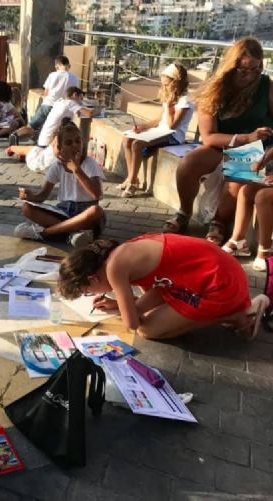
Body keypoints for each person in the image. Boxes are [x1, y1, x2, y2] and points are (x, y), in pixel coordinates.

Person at [162, 38, 273, 245]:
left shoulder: (266, 85)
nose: (250, 76)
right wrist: (244, 138)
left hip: (256, 149)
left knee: (238, 175)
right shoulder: (214, 89)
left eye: (256, 69)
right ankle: (184, 212)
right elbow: (209, 136)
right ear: (231, 66)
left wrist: (259, 142)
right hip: (223, 143)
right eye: (243, 70)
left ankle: (219, 222)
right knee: (188, 164)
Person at [58, 236, 270, 340]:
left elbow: (132, 323)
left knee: (147, 330)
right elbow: (158, 289)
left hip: (220, 284)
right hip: (217, 273)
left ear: (93, 278)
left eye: (88, 292)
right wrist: (123, 304)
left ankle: (236, 314)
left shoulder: (115, 269)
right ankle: (234, 310)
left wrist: (127, 308)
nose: (93, 295)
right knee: (145, 313)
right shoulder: (119, 253)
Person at [14, 119, 105, 247]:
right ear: (60, 148)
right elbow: (43, 196)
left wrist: (77, 170)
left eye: (78, 141)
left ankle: (44, 233)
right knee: (26, 208)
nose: (75, 145)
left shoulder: (89, 163)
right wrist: (30, 196)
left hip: (85, 213)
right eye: (68, 143)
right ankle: (73, 234)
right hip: (64, 211)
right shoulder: (57, 165)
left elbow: (96, 194)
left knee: (96, 211)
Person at [119, 63, 193, 198]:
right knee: (127, 139)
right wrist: (143, 127)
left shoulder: (185, 101)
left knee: (137, 144)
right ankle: (131, 178)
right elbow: (160, 119)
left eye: (167, 85)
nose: (164, 88)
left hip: (173, 136)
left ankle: (133, 183)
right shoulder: (170, 96)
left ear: (176, 83)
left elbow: (172, 126)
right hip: (161, 131)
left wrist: (170, 107)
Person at [6, 87, 95, 172]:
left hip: (43, 142)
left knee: (31, 150)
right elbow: (89, 113)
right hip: (45, 147)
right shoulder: (71, 103)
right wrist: (98, 109)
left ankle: (13, 149)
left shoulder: (60, 102)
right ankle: (12, 148)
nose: (81, 102)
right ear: (75, 95)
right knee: (31, 151)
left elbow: (78, 114)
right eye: (81, 99)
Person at [9, 55, 79, 145]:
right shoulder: (74, 78)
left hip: (47, 105)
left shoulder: (52, 75)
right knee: (56, 131)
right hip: (61, 109)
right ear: (68, 65)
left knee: (31, 126)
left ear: (57, 66)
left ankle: (15, 134)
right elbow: (74, 95)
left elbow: (46, 92)